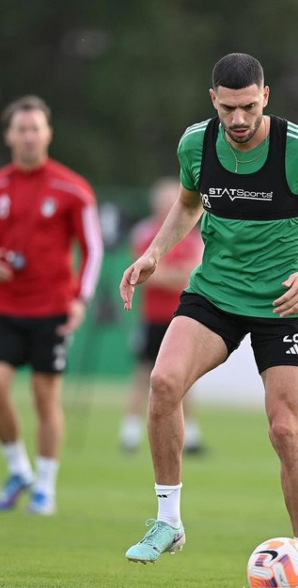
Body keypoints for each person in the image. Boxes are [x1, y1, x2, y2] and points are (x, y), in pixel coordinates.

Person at [119, 53, 298, 588]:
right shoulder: (194, 144)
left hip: (282, 304)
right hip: (214, 295)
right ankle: (169, 521)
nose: (238, 119)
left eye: (249, 107)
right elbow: (188, 204)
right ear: (214, 100)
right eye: (229, 108)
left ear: (266, 97)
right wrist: (156, 254)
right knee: (163, 384)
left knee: (284, 429)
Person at [0, 95, 103, 515]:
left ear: (48, 133)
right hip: (3, 307)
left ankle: (45, 488)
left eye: (35, 128)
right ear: (8, 135)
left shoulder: (72, 188)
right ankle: (17, 468)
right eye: (21, 129)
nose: (28, 136)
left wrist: (80, 300)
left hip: (52, 309)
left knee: (45, 398)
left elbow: (91, 248)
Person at [119, 177, 204, 453]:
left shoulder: (191, 235)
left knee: (184, 377)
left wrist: (169, 273)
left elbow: (194, 272)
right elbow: (147, 275)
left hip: (181, 316)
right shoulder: (146, 234)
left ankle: (190, 436)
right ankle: (129, 433)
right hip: (153, 316)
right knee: (144, 374)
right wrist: (171, 275)